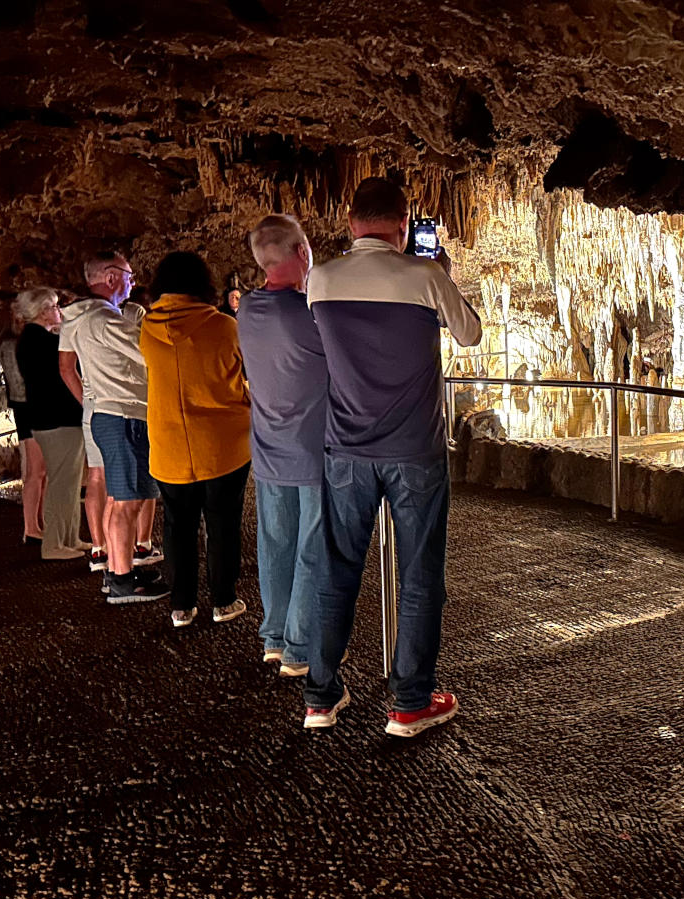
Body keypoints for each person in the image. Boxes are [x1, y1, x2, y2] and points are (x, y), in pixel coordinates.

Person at [306, 177, 481, 733]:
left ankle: (319, 698)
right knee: (420, 575)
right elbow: (471, 335)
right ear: (403, 226)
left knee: (336, 572)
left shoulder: (321, 278)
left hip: (347, 451)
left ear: (352, 223)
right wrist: (441, 278)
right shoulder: (424, 275)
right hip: (414, 451)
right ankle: (410, 703)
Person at [140, 252, 252, 628]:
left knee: (177, 525)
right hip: (223, 444)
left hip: (169, 444)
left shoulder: (147, 330)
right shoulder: (223, 327)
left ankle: (182, 604)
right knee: (223, 522)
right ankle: (224, 599)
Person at [237, 215, 327, 676]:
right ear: (301, 252)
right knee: (313, 547)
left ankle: (275, 635)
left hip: (269, 447)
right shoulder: (310, 313)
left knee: (275, 544)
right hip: (312, 448)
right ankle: (299, 646)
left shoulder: (247, 309)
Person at [59, 252, 167, 604]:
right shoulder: (104, 320)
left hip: (112, 412)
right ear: (109, 277)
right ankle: (122, 579)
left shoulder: (85, 318)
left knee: (121, 497)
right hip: (122, 414)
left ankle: (118, 568)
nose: (133, 284)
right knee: (126, 500)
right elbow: (151, 354)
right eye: (129, 277)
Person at [14, 287, 88, 561]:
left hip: (56, 418)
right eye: (56, 307)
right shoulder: (38, 340)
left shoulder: (35, 339)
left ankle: (70, 537)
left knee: (68, 483)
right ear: (43, 311)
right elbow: (66, 368)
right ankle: (54, 544)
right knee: (62, 483)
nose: (60, 311)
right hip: (56, 419)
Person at [0, 302, 46, 541]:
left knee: (41, 470)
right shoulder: (12, 345)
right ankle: (31, 527)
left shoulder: (17, 343)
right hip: (28, 408)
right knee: (35, 471)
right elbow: (20, 383)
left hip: (30, 406)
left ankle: (39, 521)